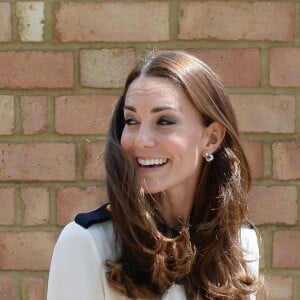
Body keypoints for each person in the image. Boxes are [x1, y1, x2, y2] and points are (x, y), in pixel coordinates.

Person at [47, 50, 260, 300]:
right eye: (131, 120)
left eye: (165, 121)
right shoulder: (87, 243)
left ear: (211, 138)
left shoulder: (240, 243)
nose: (142, 141)